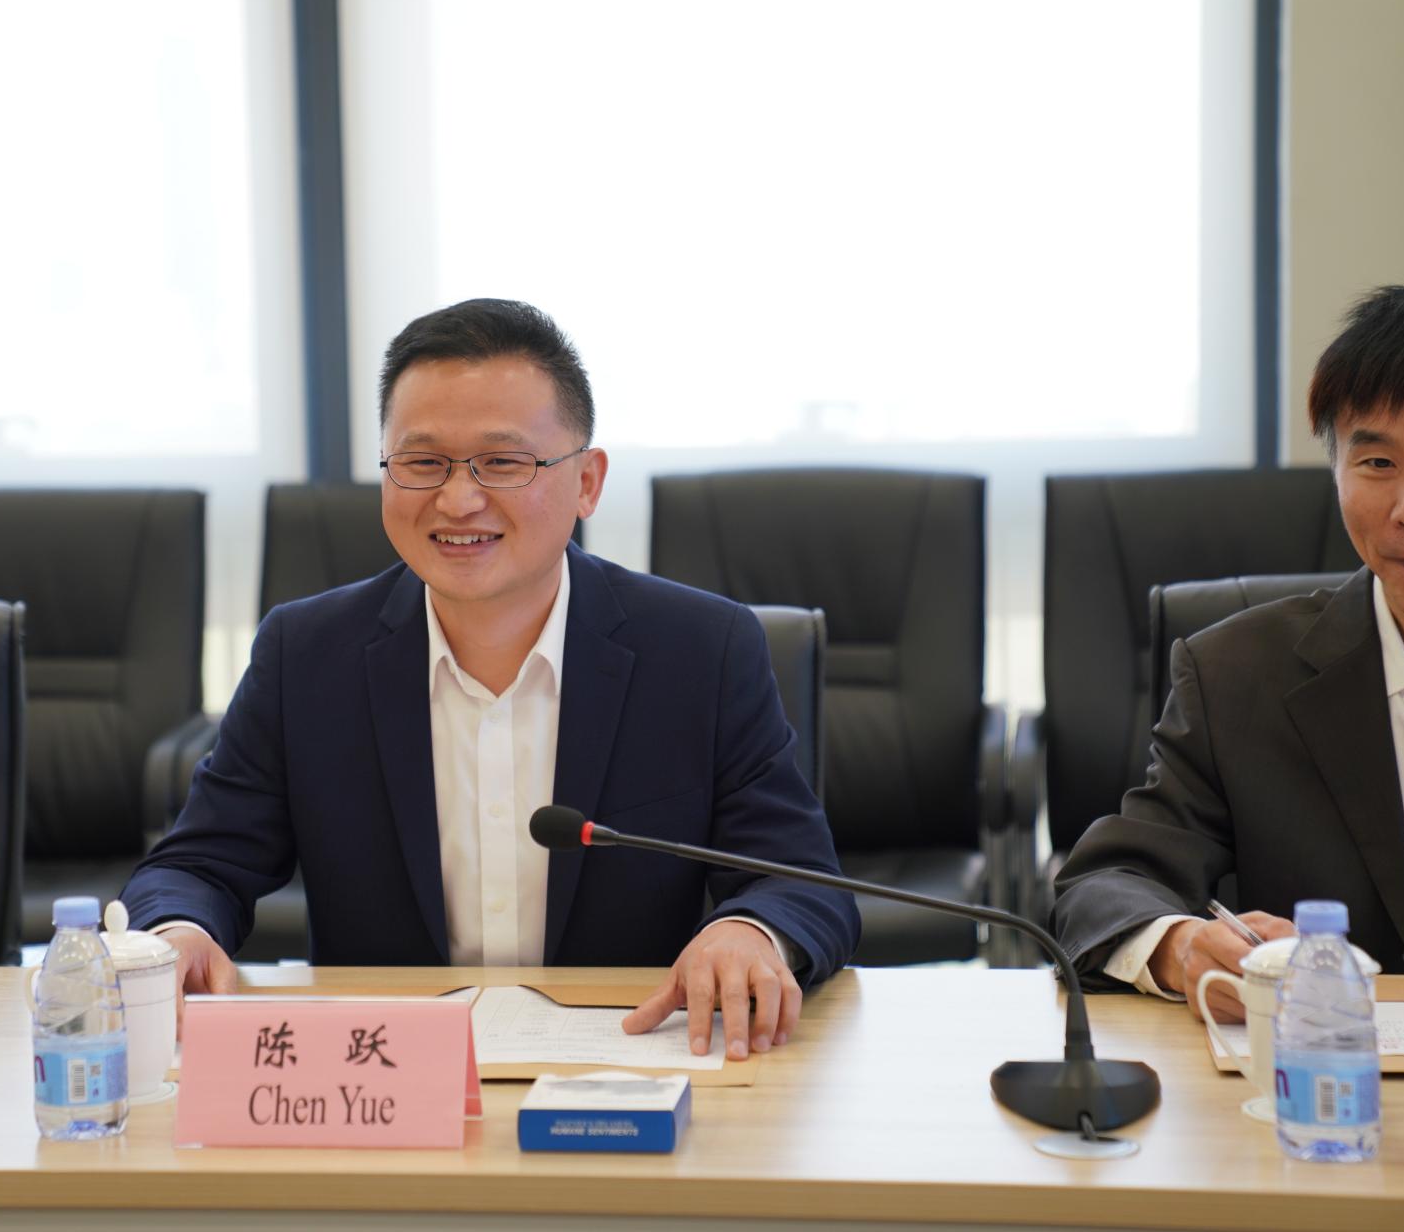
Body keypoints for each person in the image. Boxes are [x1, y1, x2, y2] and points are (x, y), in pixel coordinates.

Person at [122, 299, 859, 1060]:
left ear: (587, 482)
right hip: (385, 1080)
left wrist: (748, 930)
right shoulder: (306, 655)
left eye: (503, 463)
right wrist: (178, 931)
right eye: (423, 462)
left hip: (626, 1068)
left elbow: (803, 882)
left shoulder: (702, 650)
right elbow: (197, 865)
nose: (458, 499)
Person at [1055, 285, 1404, 1021]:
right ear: (1336, 471)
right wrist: (1182, 945)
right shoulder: (1236, 676)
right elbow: (1104, 886)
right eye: (1377, 462)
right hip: (1311, 1075)